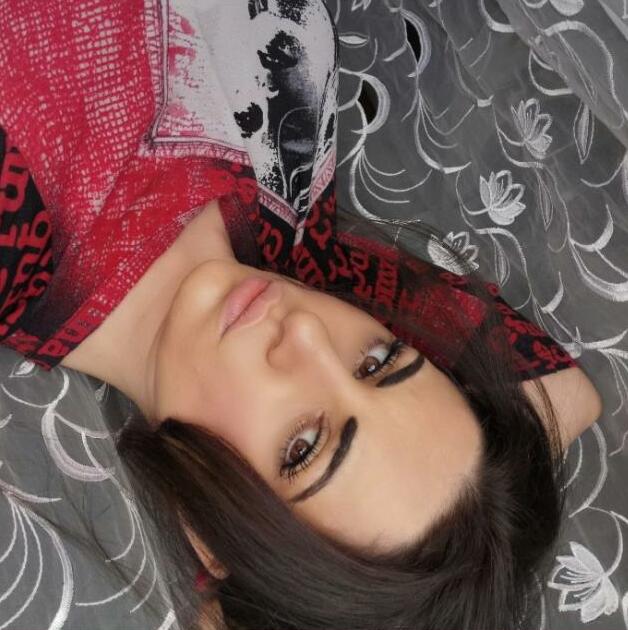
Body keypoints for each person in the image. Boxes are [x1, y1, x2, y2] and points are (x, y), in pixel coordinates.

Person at [0, 2, 602, 629]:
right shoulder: (297, 236)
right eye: (379, 361)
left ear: (209, 535)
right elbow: (564, 392)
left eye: (303, 447)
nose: (309, 333)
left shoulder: (19, 254)